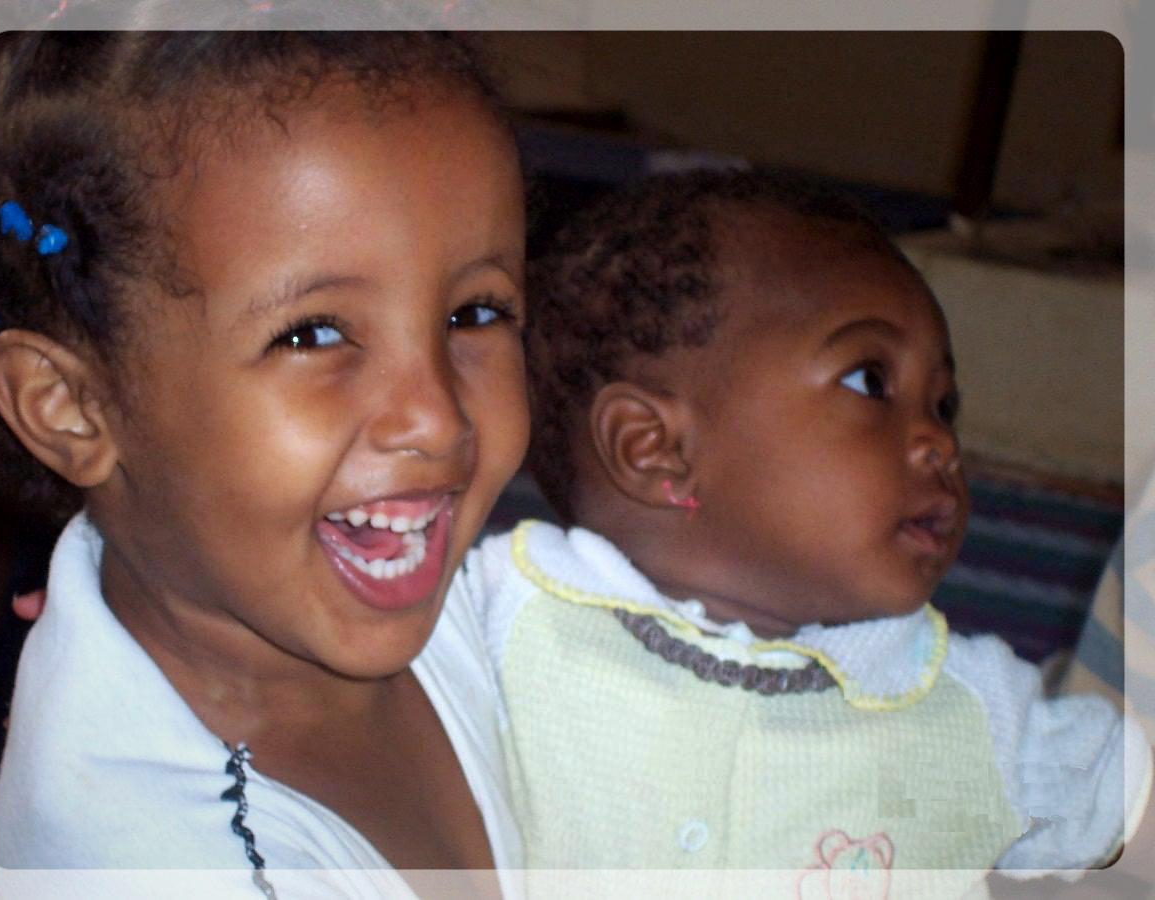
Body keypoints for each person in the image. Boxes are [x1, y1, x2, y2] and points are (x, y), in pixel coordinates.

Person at [457, 171, 1152, 892]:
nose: (938, 444)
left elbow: (1121, 799)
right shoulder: (503, 621)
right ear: (654, 448)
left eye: (944, 405)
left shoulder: (977, 714)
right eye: (870, 383)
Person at [0, 30, 529, 897]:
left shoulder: (503, 606)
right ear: (73, 407)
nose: (436, 415)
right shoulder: (154, 865)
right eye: (312, 333)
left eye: (475, 313)